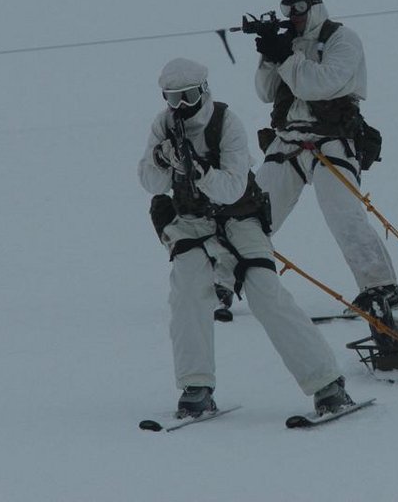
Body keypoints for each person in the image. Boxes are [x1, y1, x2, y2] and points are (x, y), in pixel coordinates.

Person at [138, 57, 354, 418]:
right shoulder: (162, 125)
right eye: (172, 98)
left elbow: (232, 188)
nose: (181, 107)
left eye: (188, 96)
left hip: (238, 218)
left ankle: (327, 382)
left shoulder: (226, 124)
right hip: (190, 221)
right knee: (188, 293)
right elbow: (151, 183)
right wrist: (164, 160)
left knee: (265, 293)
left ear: (204, 91)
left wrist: (200, 170)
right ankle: (197, 387)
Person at [252, 0, 398, 313]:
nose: (294, 16)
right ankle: (225, 279)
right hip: (288, 139)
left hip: (332, 140)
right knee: (253, 214)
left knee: (343, 214)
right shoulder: (288, 41)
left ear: (317, 6)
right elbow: (265, 93)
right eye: (287, 9)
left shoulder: (342, 40)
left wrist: (286, 57)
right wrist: (268, 57)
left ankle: (380, 286)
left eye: (300, 8)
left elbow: (318, 85)